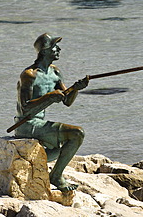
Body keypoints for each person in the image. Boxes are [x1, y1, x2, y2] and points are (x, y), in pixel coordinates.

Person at [14, 33, 89, 192]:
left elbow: (67, 101)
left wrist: (76, 89)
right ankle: (55, 176)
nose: (59, 49)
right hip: (26, 124)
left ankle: (53, 173)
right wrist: (49, 97)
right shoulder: (29, 75)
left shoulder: (55, 72)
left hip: (40, 123)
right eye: (55, 46)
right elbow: (25, 107)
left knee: (76, 135)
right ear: (44, 51)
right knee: (76, 133)